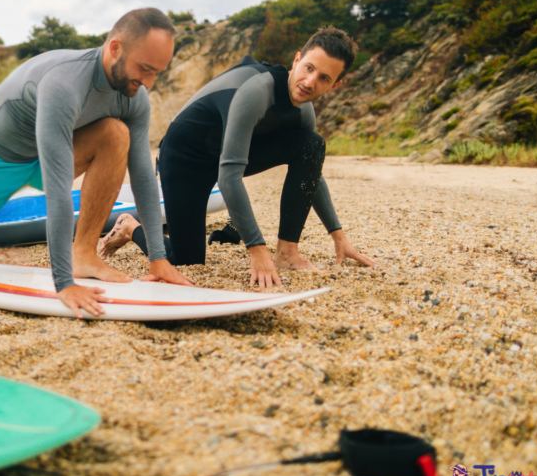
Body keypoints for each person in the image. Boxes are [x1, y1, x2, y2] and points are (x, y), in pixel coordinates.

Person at [0, 8, 192, 318]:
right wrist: (63, 283)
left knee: (114, 134)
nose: (148, 82)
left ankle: (83, 253)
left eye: (157, 72)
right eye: (144, 68)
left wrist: (158, 259)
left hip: (53, 152)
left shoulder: (134, 96)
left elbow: (144, 175)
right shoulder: (64, 82)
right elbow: (57, 190)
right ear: (115, 48)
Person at [98, 27, 377, 288]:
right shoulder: (256, 91)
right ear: (297, 59)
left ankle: (287, 252)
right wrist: (256, 249)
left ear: (335, 85)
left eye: (324, 78)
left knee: (311, 145)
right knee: (187, 261)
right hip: (185, 159)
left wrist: (338, 237)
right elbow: (228, 175)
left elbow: (311, 172)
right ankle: (128, 226)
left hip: (225, 153)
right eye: (309, 68)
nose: (310, 82)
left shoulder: (303, 110)